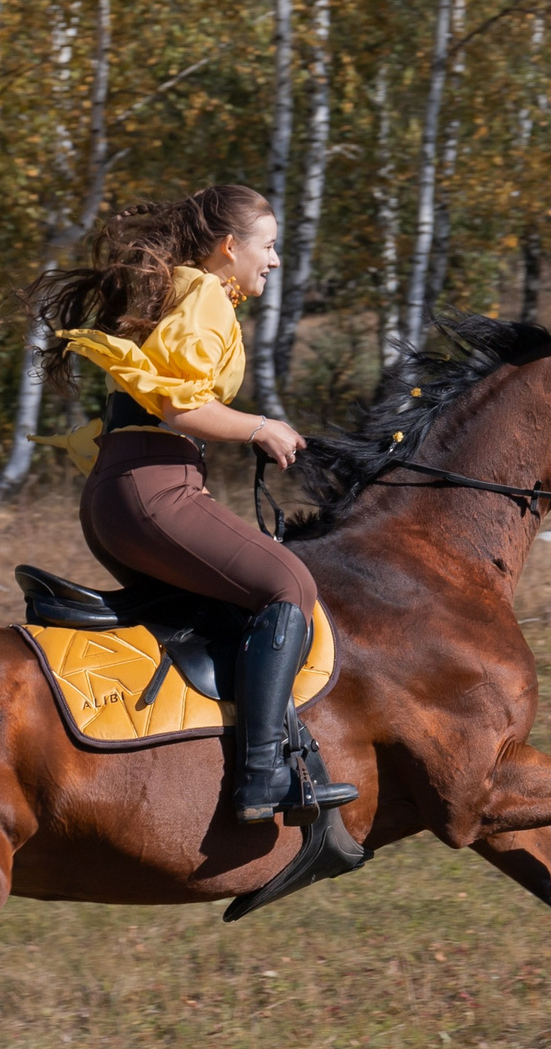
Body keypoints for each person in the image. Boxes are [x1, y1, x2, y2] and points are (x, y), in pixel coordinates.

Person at [30, 185, 359, 824]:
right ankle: (264, 774)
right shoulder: (203, 294)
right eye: (268, 246)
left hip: (125, 490)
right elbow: (182, 407)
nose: (276, 260)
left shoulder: (184, 292)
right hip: (154, 489)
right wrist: (260, 426)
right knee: (289, 584)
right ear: (229, 247)